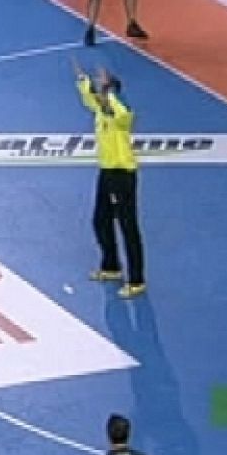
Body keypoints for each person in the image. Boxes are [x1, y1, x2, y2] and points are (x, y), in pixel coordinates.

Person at [77, 61, 146, 298]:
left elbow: (121, 112)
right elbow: (90, 100)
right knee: (101, 220)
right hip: (106, 172)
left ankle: (136, 280)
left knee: (128, 227)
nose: (99, 90)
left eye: (102, 86)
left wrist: (109, 93)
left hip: (122, 174)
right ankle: (111, 266)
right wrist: (84, 82)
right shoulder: (102, 110)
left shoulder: (121, 115)